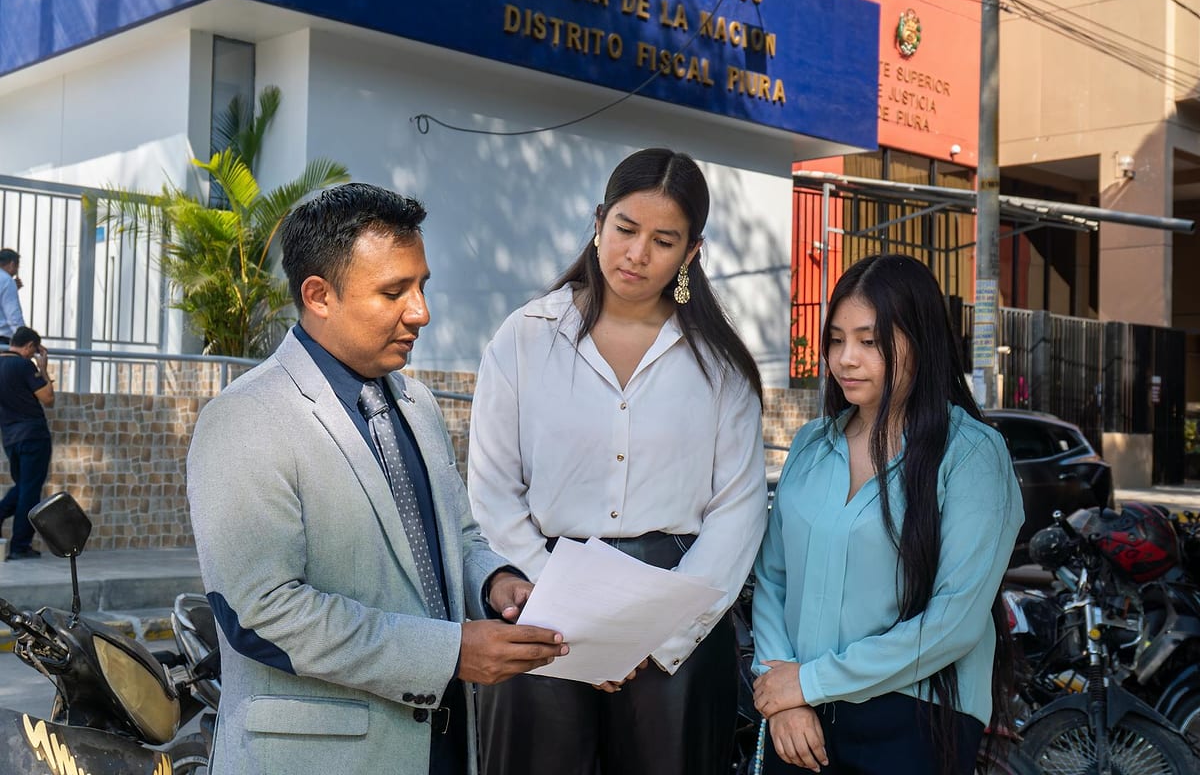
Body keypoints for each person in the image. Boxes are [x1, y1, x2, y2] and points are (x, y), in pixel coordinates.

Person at [187, 183, 568, 775]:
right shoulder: (246, 417)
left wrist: (496, 583)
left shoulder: (417, 404)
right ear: (318, 295)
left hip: (441, 747)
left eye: (421, 286)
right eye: (394, 291)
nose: (421, 311)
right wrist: (451, 653)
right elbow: (260, 612)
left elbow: (458, 536)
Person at [469, 147, 768, 775]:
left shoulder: (721, 366)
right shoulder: (525, 339)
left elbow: (737, 512)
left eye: (663, 241)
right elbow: (494, 494)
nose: (636, 254)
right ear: (599, 221)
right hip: (540, 607)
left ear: (691, 254)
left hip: (676, 616)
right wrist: (561, 611)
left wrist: (657, 634)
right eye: (626, 230)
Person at [751, 254, 1023, 775]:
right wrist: (782, 689)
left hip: (913, 721)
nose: (845, 358)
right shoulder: (811, 444)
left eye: (869, 341)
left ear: (920, 340)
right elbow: (772, 578)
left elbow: (955, 622)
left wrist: (808, 683)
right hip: (797, 718)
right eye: (836, 339)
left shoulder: (971, 455)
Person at [0, 326, 54, 560]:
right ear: (30, 346)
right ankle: (20, 546)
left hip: (10, 439)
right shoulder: (23, 365)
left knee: (23, 486)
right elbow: (48, 399)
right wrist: (42, 368)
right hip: (33, 436)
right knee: (29, 491)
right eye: (34, 352)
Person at [0, 249, 25, 345]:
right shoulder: (7, 280)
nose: (16, 271)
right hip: (2, 337)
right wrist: (23, 336)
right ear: (12, 264)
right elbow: (13, 314)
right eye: (17, 267)